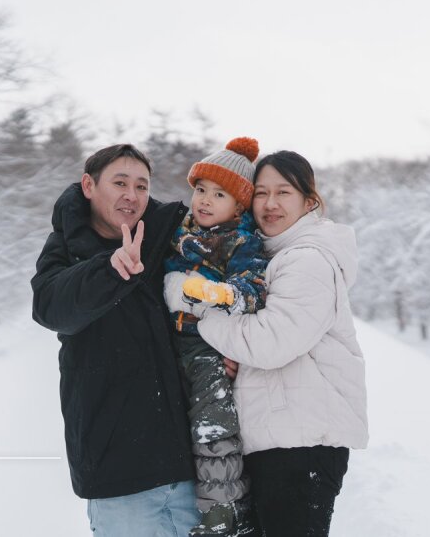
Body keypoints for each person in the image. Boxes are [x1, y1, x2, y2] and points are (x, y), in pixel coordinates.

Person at [165, 150, 368, 537]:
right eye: (261, 193)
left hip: (301, 445)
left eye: (284, 192)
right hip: (277, 439)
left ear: (309, 202)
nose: (270, 204)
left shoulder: (308, 259)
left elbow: (272, 342)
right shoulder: (269, 256)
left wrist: (203, 321)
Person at [31, 144, 198, 536]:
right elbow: (51, 308)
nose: (132, 195)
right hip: (119, 474)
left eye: (141, 185)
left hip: (190, 466)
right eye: (120, 182)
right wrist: (110, 269)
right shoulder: (66, 248)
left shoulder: (168, 236)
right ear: (89, 185)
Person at [164, 137, 267, 536]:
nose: (204, 200)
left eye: (218, 194)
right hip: (173, 344)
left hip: (209, 349)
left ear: (239, 205)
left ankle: (223, 518)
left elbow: (253, 287)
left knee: (213, 430)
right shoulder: (181, 232)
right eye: (200, 190)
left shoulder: (242, 241)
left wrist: (219, 293)